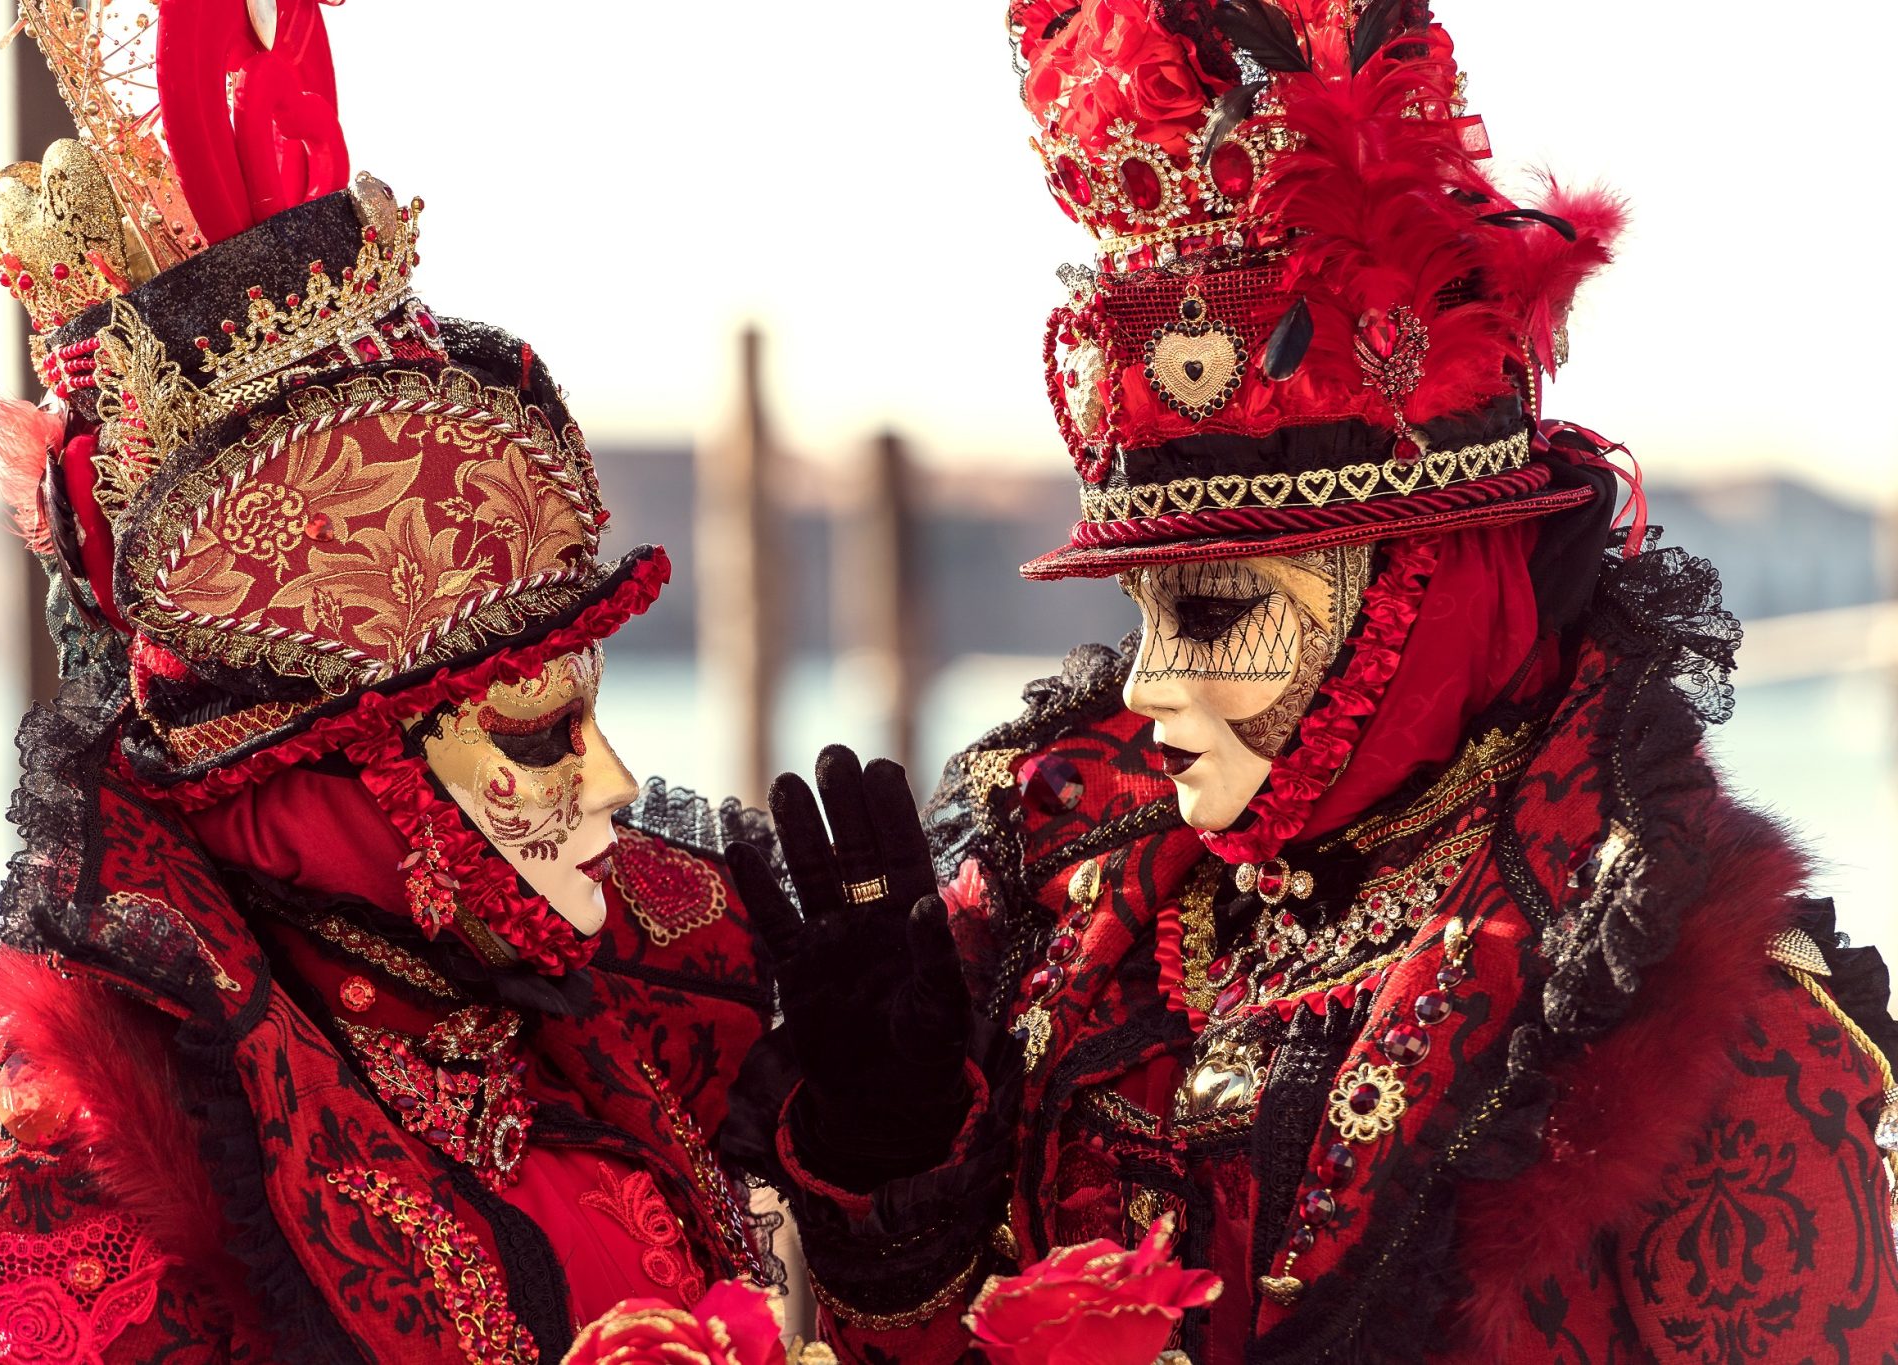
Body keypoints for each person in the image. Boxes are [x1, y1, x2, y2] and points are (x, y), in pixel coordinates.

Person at [724, 2, 1898, 1361]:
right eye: (1140, 606)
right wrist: (896, 1163)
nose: (1148, 680)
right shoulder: (1079, 900)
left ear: (1423, 589)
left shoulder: (1671, 997)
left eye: (1219, 611)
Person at [0, 3, 779, 1360]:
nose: (614, 785)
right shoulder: (74, 1164)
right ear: (325, 769)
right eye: (538, 735)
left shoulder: (602, 995)